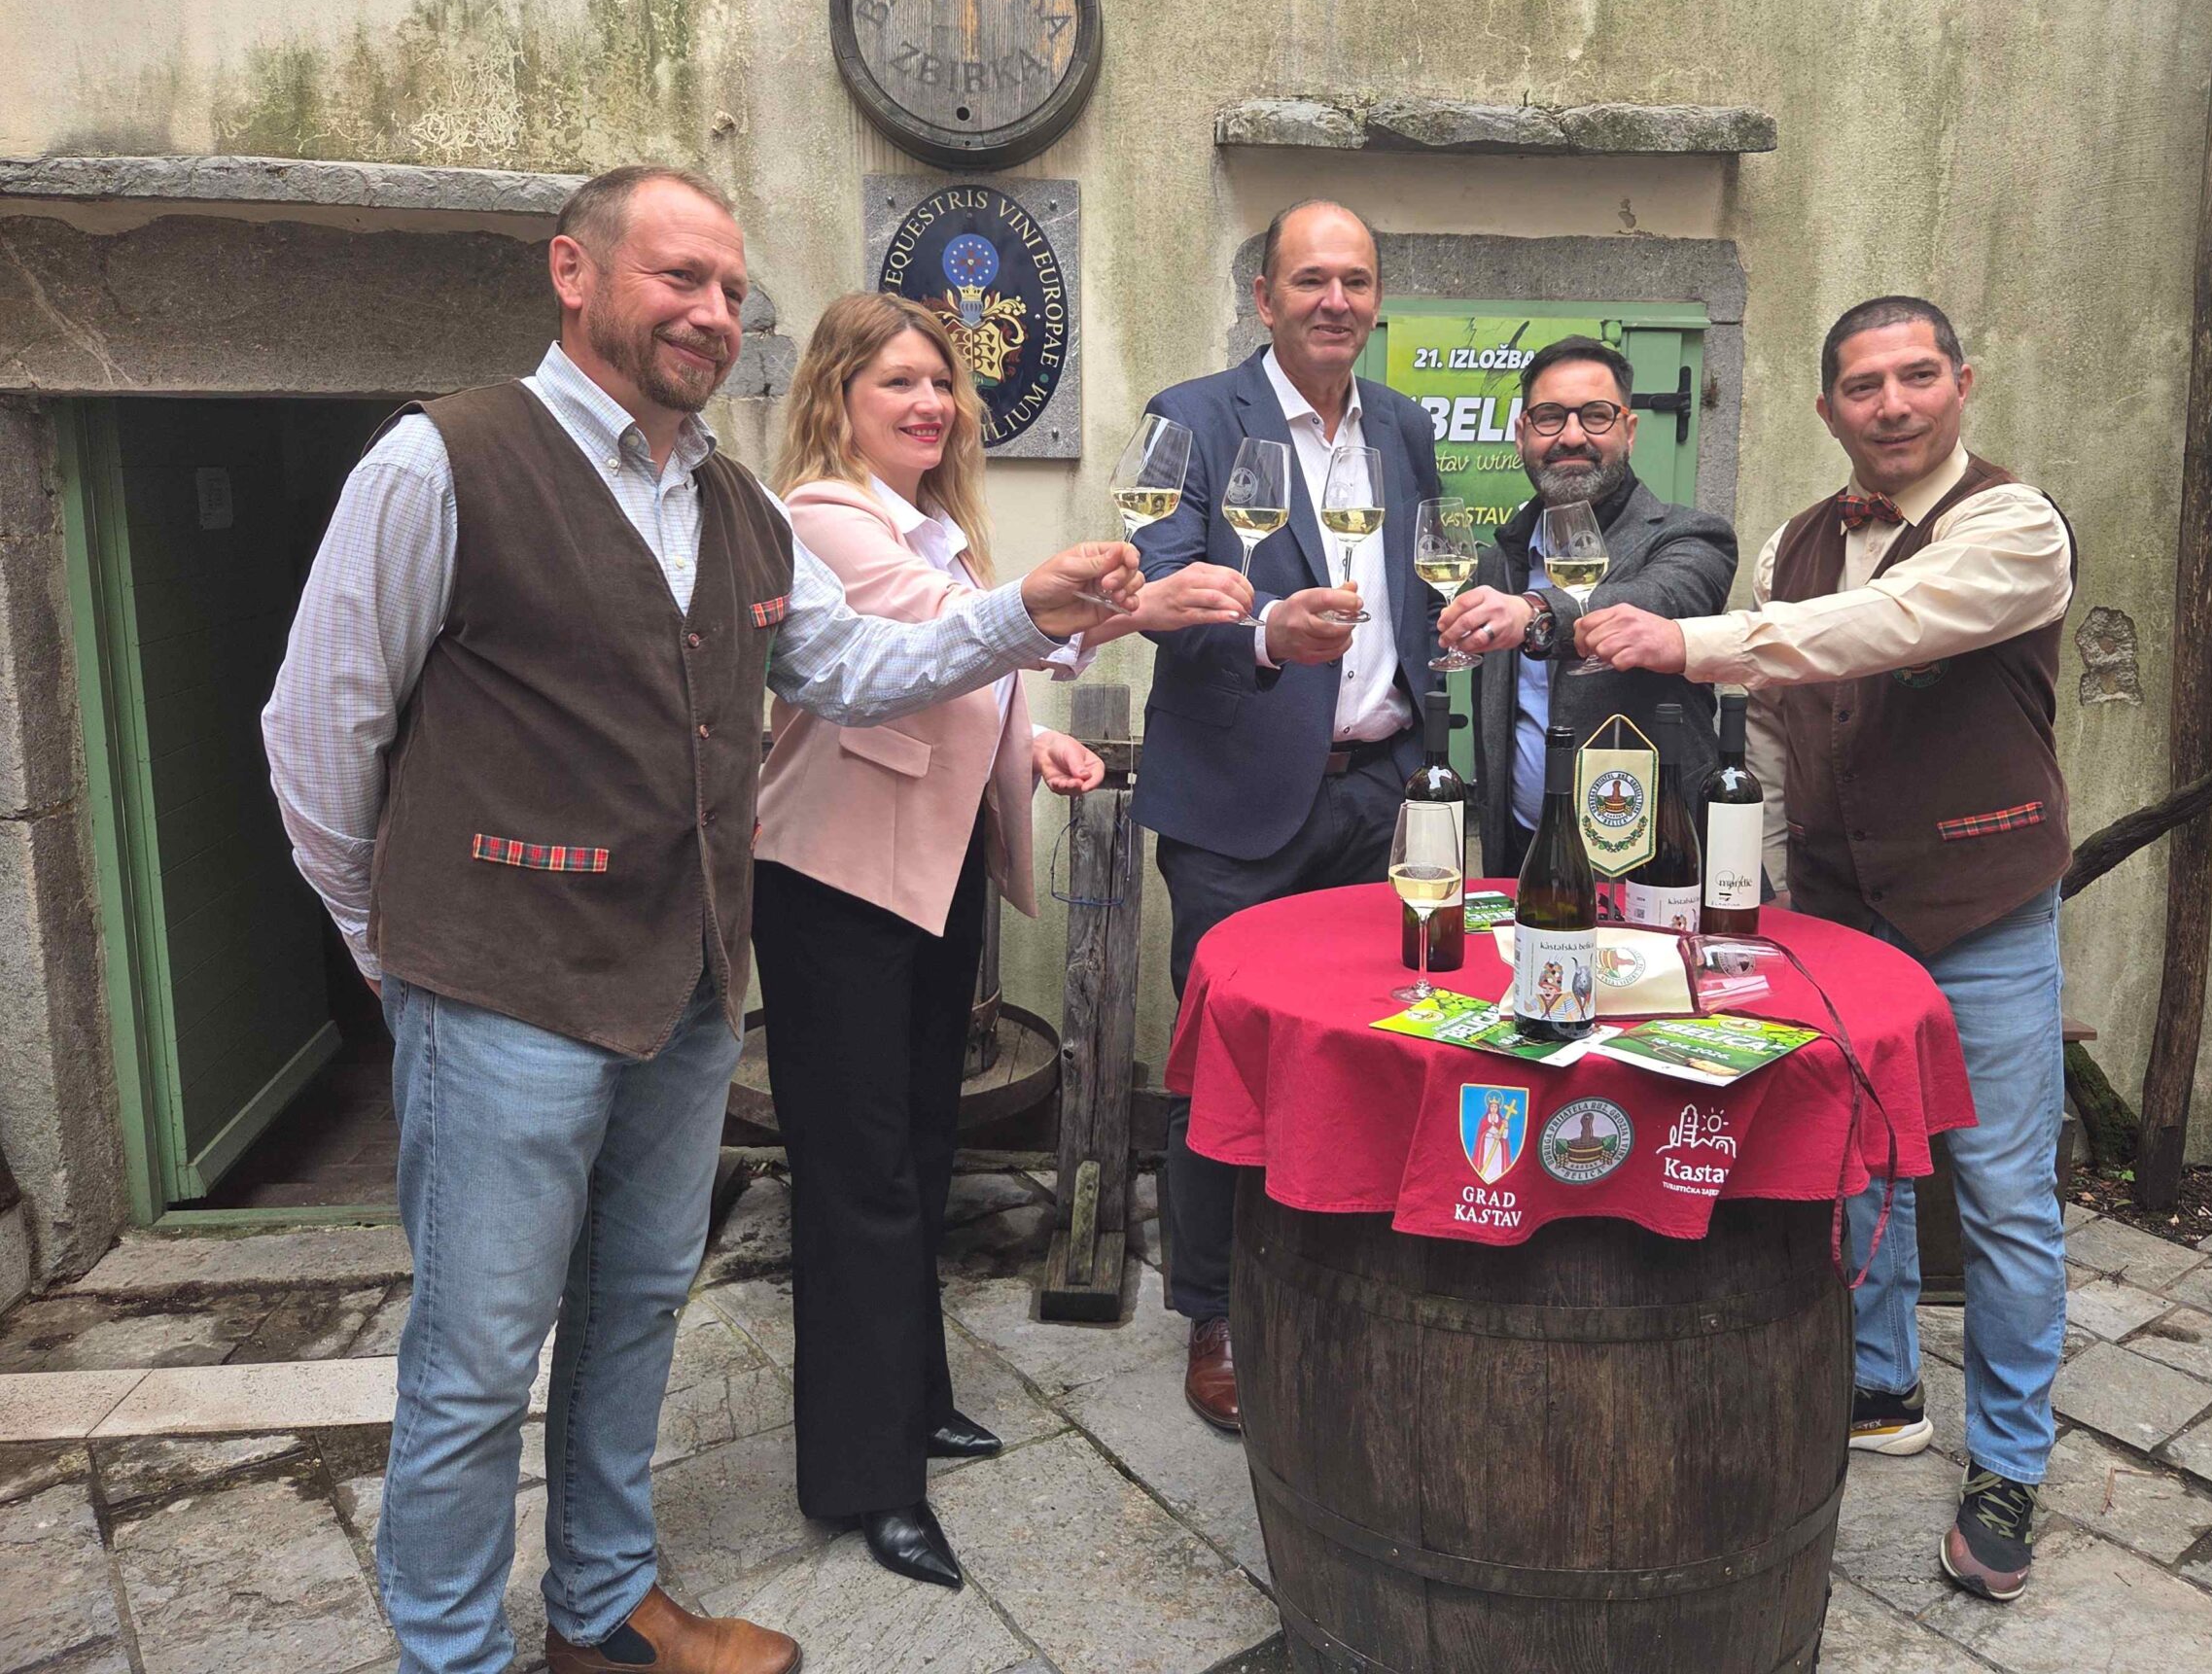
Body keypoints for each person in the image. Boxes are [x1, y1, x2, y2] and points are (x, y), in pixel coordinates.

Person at [262, 165, 1152, 1674]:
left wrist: (1027, 613)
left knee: (632, 1314)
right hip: (499, 994)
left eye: (732, 290)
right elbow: (318, 729)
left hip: (682, 994)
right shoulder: (442, 463)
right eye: (679, 278)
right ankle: (452, 1651)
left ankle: (606, 1602)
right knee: (477, 1359)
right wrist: (391, 952)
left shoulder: (734, 503)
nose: (712, 313)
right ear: (573, 272)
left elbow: (851, 672)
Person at [1571, 296, 2075, 1603]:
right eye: (1863, 385)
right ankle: (1881, 1383)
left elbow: (1888, 623)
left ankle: (2008, 1464)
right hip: (1840, 914)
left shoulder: (2016, 526)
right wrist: (1773, 895)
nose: (1892, 403)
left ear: (1962, 383)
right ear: (1826, 408)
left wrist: (1689, 644)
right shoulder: (1795, 541)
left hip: (1982, 906)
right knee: (1859, 1166)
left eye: (1917, 376)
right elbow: (1774, 737)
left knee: (2004, 1198)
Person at [749, 294, 1247, 1591]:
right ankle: (865, 1479)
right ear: (837, 396)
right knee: (860, 1182)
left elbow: (959, 678)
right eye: (898, 382)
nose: (928, 404)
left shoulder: (932, 527)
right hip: (834, 888)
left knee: (916, 1157)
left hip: (922, 879)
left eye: (940, 384)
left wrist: (1027, 744)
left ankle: (910, 1402)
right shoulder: (826, 517)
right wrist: (1103, 604)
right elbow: (920, 642)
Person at [1131, 197, 1441, 1432]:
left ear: (1376, 300)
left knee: (1365, 1050)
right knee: (1227, 1065)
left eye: (1354, 280)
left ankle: (1334, 1273)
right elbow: (1153, 582)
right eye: (1309, 279)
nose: (1334, 301)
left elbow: (1417, 587)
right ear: (1262, 297)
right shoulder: (1189, 418)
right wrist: (1264, 628)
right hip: (1237, 806)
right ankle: (1213, 1308)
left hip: (1377, 798)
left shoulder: (1404, 427)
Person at [1431, 333, 1737, 876]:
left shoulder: (1692, 537)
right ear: (1522, 435)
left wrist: (1535, 612)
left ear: (1629, 430)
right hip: (1524, 856)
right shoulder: (1499, 559)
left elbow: (1660, 600)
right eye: (1550, 417)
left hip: (1657, 866)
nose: (1572, 436)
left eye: (1596, 415)